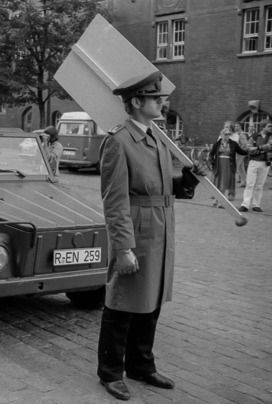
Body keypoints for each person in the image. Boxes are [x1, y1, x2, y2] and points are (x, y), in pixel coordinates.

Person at [97, 71, 206, 401]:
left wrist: (188, 179)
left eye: (160, 97)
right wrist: (123, 249)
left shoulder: (156, 138)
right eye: (154, 98)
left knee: (151, 301)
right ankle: (110, 372)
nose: (161, 102)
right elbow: (114, 201)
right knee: (122, 303)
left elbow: (162, 188)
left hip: (161, 230)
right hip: (137, 232)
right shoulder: (119, 142)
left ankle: (141, 365)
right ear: (136, 102)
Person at [209, 128, 249, 207]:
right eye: (225, 134)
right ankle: (217, 200)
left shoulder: (233, 143)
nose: (227, 136)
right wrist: (212, 161)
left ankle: (220, 201)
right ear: (221, 135)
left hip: (229, 165)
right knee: (218, 183)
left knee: (224, 183)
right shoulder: (217, 144)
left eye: (229, 134)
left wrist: (248, 150)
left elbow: (241, 151)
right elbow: (211, 154)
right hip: (219, 165)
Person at [239, 120, 272, 212]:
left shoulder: (271, 136)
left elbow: (270, 146)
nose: (271, 128)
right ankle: (245, 204)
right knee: (250, 184)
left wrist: (257, 148)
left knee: (259, 185)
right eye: (269, 126)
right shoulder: (254, 136)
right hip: (254, 162)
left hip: (266, 163)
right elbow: (248, 148)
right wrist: (262, 150)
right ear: (263, 127)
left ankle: (256, 205)